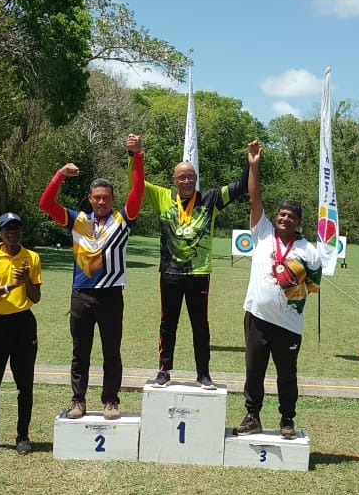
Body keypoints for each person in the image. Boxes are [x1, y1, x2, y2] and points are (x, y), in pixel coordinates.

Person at [128, 136, 250, 388]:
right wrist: (134, 155)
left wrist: (250, 163)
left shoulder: (211, 199)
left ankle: (203, 373)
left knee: (200, 326)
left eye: (190, 176)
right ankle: (163, 371)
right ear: (174, 180)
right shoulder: (163, 197)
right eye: (181, 177)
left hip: (198, 273)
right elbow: (136, 184)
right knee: (167, 324)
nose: (186, 181)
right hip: (170, 273)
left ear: (196, 179)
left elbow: (240, 186)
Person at [39, 138, 145, 419]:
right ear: (90, 198)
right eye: (97, 197)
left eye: (106, 197)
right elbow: (45, 203)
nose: (101, 201)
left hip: (111, 295)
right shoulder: (78, 220)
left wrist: (136, 156)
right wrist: (60, 175)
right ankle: (78, 401)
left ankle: (111, 401)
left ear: (112, 199)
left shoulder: (123, 219)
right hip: (81, 295)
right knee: (80, 353)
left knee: (112, 352)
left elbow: (138, 190)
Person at [235, 141, 321, 439]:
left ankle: (287, 420)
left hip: (288, 324)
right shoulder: (262, 233)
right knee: (253, 372)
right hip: (257, 317)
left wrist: (292, 281)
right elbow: (254, 198)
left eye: (290, 217)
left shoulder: (309, 250)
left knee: (287, 376)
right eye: (281, 214)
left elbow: (313, 286)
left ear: (298, 223)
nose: (284, 218)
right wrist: (254, 166)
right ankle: (252, 416)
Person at [0, 214, 42, 454]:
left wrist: (25, 282)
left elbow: (36, 297)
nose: (13, 233)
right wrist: (9, 287)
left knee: (25, 385)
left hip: (23, 324)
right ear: (0, 232)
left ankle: (22, 435)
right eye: (8, 229)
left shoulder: (31, 257)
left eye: (17, 229)